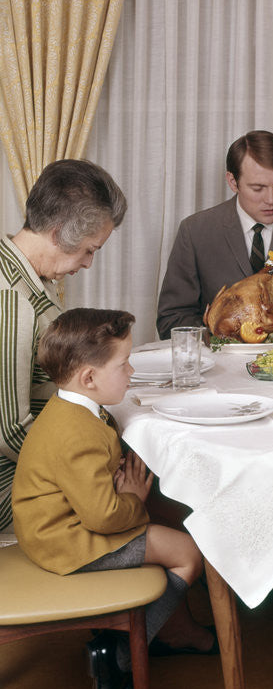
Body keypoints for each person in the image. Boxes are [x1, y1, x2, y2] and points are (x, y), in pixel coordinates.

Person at [12, 308, 205, 689]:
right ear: (88, 378)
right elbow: (101, 516)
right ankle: (118, 655)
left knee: (168, 521)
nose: (132, 371)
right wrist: (133, 500)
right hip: (68, 541)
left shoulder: (75, 411)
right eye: (123, 364)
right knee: (188, 554)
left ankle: (143, 632)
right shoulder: (77, 432)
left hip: (60, 529)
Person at [0, 159, 126, 534]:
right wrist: (86, 468)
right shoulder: (12, 299)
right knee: (132, 482)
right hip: (11, 480)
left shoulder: (26, 275)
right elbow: (7, 431)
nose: (88, 263)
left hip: (33, 459)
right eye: (89, 250)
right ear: (56, 233)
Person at [156, 130, 273, 338]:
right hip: (217, 365)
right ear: (233, 182)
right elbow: (171, 319)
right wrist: (222, 341)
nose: (271, 199)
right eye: (258, 188)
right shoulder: (195, 231)